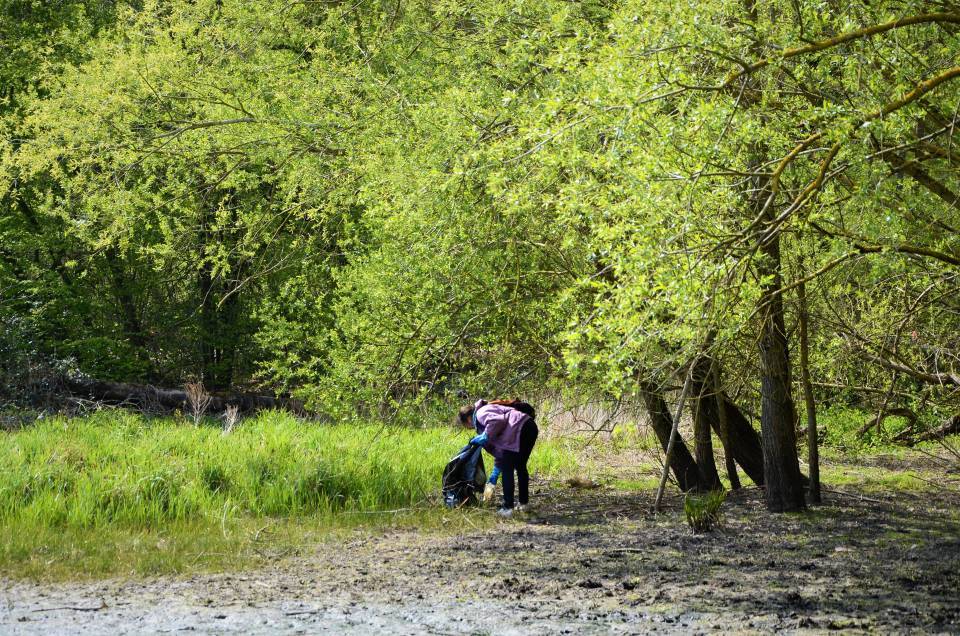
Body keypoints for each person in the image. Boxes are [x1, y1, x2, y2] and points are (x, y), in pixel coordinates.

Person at [457, 399, 539, 517]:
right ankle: (524, 504)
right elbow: (502, 449)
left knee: (507, 469)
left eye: (467, 426)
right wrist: (494, 475)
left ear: (468, 419)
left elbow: (497, 421)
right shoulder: (486, 411)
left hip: (520, 428)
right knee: (520, 466)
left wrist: (485, 435)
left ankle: (507, 508)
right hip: (529, 426)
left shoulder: (480, 413)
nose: (470, 428)